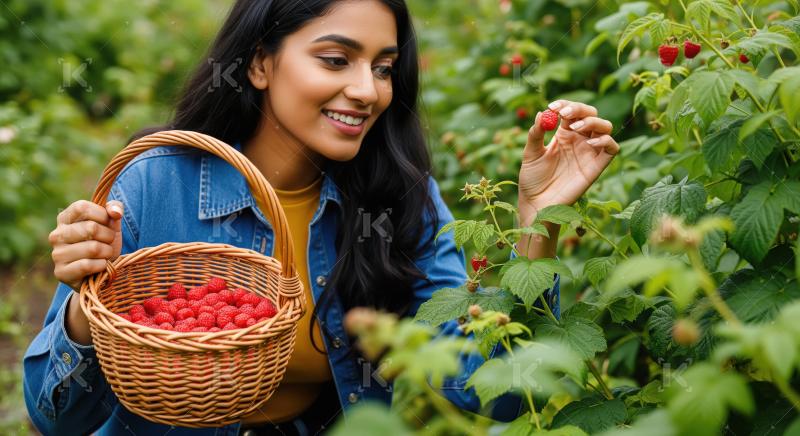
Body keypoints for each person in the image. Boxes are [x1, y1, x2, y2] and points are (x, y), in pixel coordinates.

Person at [22, 0, 619, 435]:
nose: (367, 90)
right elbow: (57, 418)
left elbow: (500, 393)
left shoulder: (399, 198)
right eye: (336, 60)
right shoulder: (156, 184)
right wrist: (82, 309)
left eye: (383, 68)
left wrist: (539, 221)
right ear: (259, 65)